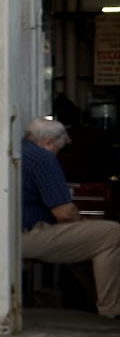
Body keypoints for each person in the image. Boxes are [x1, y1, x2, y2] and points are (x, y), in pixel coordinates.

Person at [21, 115, 120, 317]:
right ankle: (111, 310)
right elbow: (65, 214)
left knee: (87, 238)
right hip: (25, 235)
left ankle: (93, 301)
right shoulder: (43, 159)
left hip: (8, 233)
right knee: (111, 233)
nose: (58, 154)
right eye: (59, 149)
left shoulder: (21, 150)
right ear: (48, 143)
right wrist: (85, 224)